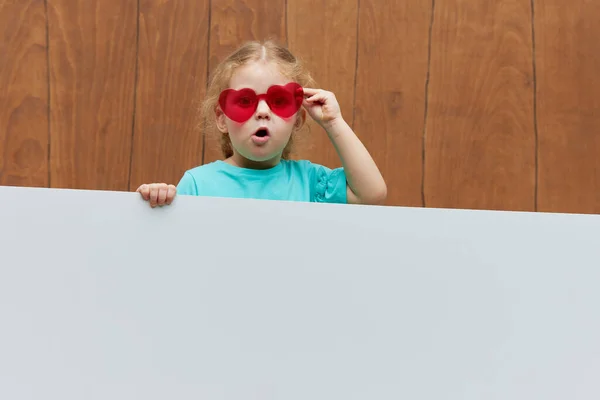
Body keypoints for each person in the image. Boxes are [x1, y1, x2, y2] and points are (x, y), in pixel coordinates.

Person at [137, 39, 386, 207]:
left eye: (278, 101)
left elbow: (371, 194)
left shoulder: (310, 182)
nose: (263, 111)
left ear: (298, 120)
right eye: (245, 101)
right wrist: (160, 200)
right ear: (222, 118)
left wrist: (334, 122)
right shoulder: (197, 184)